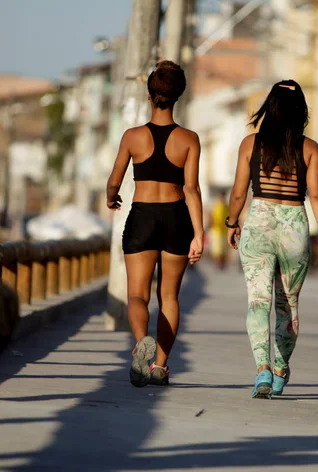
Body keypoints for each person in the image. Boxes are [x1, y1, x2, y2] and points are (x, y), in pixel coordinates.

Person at [226, 80, 318, 399]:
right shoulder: (310, 148)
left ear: (269, 108)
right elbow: (316, 194)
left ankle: (261, 369)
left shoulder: (251, 144)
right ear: (301, 111)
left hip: (259, 224)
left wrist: (232, 223)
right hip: (294, 229)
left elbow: (238, 192)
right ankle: (279, 367)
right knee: (288, 306)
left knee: (258, 302)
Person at [106, 60, 204, 388]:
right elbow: (191, 189)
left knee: (137, 294)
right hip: (177, 218)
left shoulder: (133, 137)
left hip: (143, 216)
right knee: (170, 297)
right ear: (178, 96)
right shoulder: (189, 139)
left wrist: (111, 197)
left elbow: (114, 181)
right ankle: (160, 366)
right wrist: (199, 233)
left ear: (150, 95)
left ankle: (139, 343)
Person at [209, 190, 230, 270]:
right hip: (216, 230)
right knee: (216, 249)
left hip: (225, 230)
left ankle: (222, 264)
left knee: (224, 250)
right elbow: (211, 216)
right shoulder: (215, 206)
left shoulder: (227, 206)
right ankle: (218, 263)